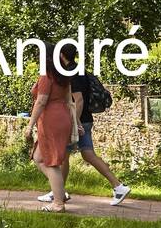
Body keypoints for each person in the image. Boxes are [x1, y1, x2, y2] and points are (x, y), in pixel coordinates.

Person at [38, 50, 131, 206]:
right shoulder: (79, 69)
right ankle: (59, 192)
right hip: (84, 119)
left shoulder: (71, 73)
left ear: (61, 54)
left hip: (78, 121)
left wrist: (75, 123)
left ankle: (117, 186)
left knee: (70, 156)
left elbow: (78, 100)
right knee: (76, 155)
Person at [22, 63, 75, 210]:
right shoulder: (63, 76)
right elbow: (69, 101)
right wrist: (76, 122)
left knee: (51, 162)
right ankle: (60, 192)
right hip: (62, 117)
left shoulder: (47, 76)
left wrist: (29, 125)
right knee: (39, 157)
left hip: (51, 119)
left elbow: (41, 101)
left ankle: (58, 203)